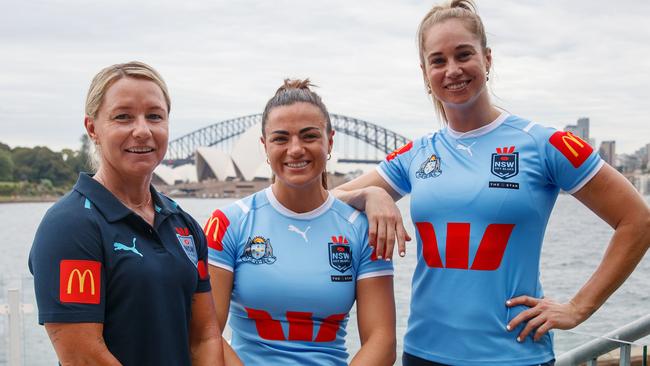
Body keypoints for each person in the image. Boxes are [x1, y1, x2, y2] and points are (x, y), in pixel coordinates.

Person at [333, 1, 650, 365]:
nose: (452, 70)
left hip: (514, 355)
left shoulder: (544, 143)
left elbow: (637, 221)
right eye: (438, 60)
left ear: (487, 58)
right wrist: (371, 193)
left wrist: (579, 307)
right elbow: (326, 202)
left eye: (463, 55)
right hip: (424, 354)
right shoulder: (417, 154)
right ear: (425, 72)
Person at [29, 61, 224, 365]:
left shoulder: (182, 224)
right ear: (92, 128)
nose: (143, 131)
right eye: (123, 117)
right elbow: (84, 357)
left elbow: (204, 336)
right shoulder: (71, 226)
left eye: (155, 116)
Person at [205, 79, 396, 366]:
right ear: (264, 147)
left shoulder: (361, 229)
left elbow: (382, 340)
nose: (295, 149)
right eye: (281, 138)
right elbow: (206, 334)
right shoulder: (227, 224)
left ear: (330, 141)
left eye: (309, 136)